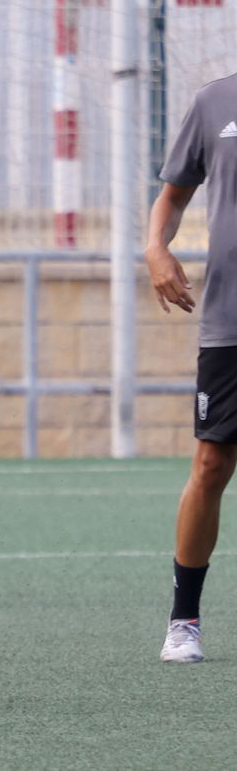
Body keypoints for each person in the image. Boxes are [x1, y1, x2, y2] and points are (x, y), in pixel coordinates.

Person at [147, 70, 237, 663]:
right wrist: (156, 246)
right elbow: (174, 194)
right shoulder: (215, 101)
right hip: (231, 321)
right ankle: (184, 620)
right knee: (210, 464)